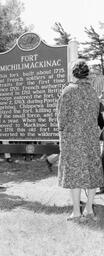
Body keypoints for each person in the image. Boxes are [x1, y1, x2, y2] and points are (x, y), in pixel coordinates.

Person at [57, 60, 104, 221]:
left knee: (74, 174)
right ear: (86, 74)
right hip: (91, 139)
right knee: (92, 172)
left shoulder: (68, 91)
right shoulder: (92, 92)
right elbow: (97, 116)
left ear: (74, 73)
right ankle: (89, 209)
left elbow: (61, 120)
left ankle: (77, 211)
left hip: (73, 140)